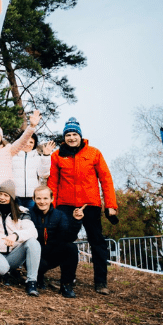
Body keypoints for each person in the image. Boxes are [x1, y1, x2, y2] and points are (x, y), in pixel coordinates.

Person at [48, 117, 118, 295]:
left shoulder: (94, 153)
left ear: (80, 136)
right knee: (64, 242)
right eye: (68, 135)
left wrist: (110, 205)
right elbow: (53, 182)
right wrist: (52, 207)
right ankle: (67, 280)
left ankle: (101, 282)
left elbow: (106, 179)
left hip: (90, 204)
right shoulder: (57, 155)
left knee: (97, 242)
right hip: (65, 204)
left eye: (74, 134)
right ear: (64, 138)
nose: (71, 138)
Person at [0, 180, 41, 296]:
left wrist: (15, 236)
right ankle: (2, 273)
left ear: (12, 197)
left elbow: (32, 231)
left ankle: (31, 282)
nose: (2, 198)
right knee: (2, 268)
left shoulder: (22, 211)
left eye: (6, 195)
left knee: (33, 242)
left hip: (13, 253)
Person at [31, 186, 83, 298]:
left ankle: (66, 284)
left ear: (52, 199)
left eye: (45, 198)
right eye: (39, 198)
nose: (42, 202)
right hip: (34, 256)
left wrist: (76, 221)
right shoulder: (28, 214)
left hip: (52, 253)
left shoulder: (59, 215)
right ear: (33, 199)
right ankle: (36, 278)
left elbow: (68, 237)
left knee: (71, 247)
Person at [0, 111, 40, 201]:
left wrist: (31, 127)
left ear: (1, 135)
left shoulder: (8, 149)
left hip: (5, 190)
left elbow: (22, 141)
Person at [12, 134, 54, 210]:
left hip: (32, 197)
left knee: (31, 219)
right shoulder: (12, 157)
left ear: (34, 144)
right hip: (15, 197)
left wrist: (46, 155)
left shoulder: (38, 158)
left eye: (31, 142)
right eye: (25, 141)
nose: (28, 144)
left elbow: (43, 174)